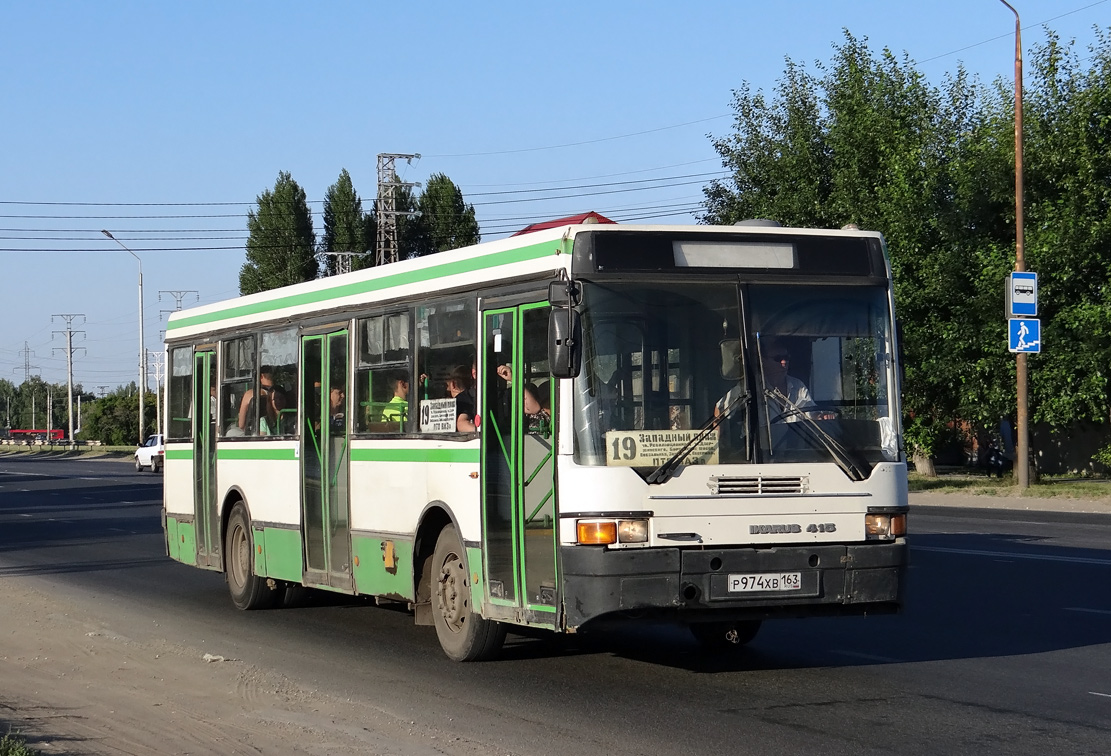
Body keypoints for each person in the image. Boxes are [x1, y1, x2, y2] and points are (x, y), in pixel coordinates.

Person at [758, 338, 817, 421]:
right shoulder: (754, 389)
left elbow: (812, 412)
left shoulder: (798, 385)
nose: (784, 362)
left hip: (798, 434)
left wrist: (820, 416)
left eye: (786, 357)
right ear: (763, 362)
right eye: (778, 358)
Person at [446, 364, 476, 432]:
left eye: (447, 385)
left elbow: (461, 424)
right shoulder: (478, 396)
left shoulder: (461, 400)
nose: (447, 389)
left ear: (453, 384)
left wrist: (484, 433)